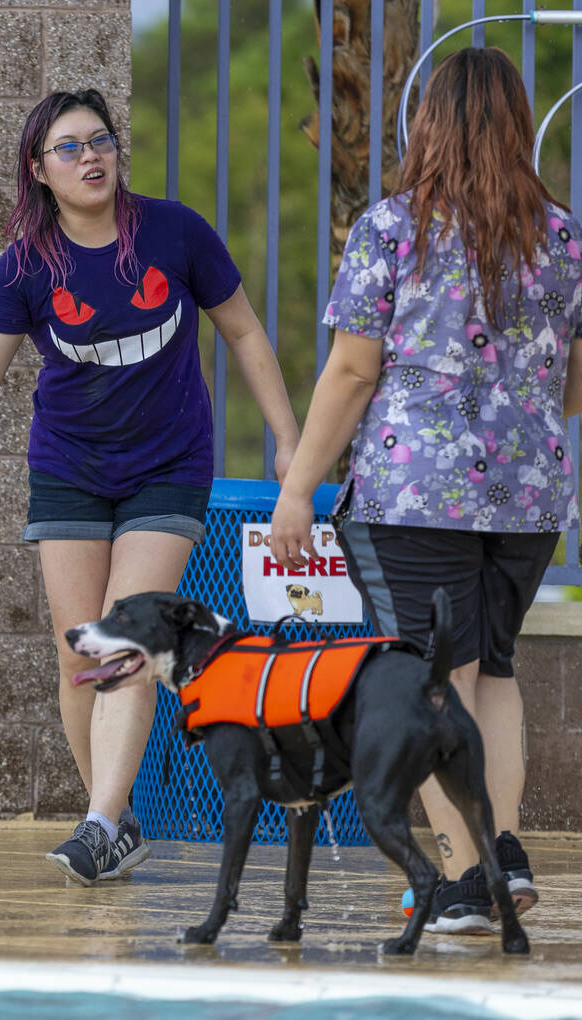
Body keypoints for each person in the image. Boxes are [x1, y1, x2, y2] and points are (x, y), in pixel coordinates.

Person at [0, 88, 299, 884]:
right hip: (69, 469)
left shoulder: (175, 232)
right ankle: (111, 816)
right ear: (38, 170)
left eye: (99, 140)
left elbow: (241, 329)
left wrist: (289, 443)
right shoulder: (27, 266)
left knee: (128, 642)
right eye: (68, 147)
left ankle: (102, 820)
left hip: (168, 467)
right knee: (81, 658)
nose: (91, 156)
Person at [271, 47, 582, 933]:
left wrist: (297, 493)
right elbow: (572, 385)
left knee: (434, 682)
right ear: (519, 125)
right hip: (527, 499)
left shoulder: (392, 229)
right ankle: (503, 849)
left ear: (427, 125)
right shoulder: (562, 238)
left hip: (416, 497)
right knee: (496, 670)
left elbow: (352, 371)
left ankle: (461, 878)